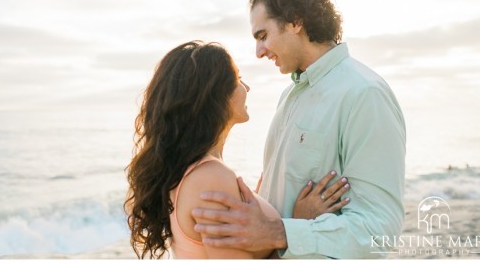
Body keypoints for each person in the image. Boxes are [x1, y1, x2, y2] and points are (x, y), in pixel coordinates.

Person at [192, 0, 407, 259]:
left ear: (294, 21)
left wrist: (280, 232)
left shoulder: (364, 94)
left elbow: (379, 230)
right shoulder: (290, 97)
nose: (258, 52)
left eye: (263, 35)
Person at [124, 40, 351, 259]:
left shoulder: (197, 172)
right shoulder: (210, 177)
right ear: (215, 95)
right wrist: (299, 224)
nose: (247, 87)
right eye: (238, 79)